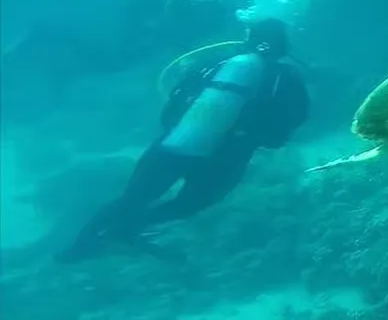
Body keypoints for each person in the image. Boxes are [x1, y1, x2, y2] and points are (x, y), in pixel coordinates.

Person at [56, 17, 310, 263]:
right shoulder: (285, 76)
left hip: (174, 144)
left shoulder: (216, 62)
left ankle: (79, 249)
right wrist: (255, 140)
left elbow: (174, 101)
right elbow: (292, 119)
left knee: (132, 198)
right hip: (226, 158)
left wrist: (179, 129)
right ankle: (136, 226)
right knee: (188, 204)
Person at [2, 0, 240, 80]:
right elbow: (174, 23)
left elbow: (184, 31)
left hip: (153, 30)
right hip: (146, 28)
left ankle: (56, 46)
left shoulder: (210, 5)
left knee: (115, 61)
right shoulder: (200, 1)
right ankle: (46, 33)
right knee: (115, 62)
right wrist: (148, 30)